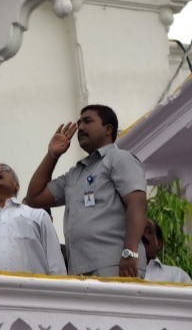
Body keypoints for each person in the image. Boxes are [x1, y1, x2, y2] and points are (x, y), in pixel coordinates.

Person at [25, 105, 147, 277]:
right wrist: (52, 155)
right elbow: (34, 198)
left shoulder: (119, 158)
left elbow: (137, 203)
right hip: (78, 270)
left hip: (115, 265)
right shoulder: (75, 173)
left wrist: (130, 252)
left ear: (108, 129)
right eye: (79, 123)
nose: (80, 128)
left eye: (87, 121)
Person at [143, 217, 192, 284]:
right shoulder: (126, 274)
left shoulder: (178, 276)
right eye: (137, 231)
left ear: (159, 243)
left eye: (149, 232)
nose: (142, 235)